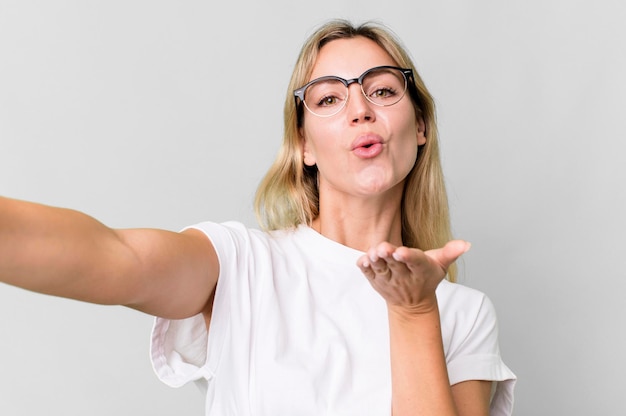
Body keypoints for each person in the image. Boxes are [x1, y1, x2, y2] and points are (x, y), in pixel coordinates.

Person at [0, 19, 515, 416]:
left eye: (382, 90)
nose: (360, 108)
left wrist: (414, 312)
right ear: (304, 145)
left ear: (420, 125)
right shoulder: (242, 265)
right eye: (330, 97)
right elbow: (112, 256)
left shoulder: (463, 314)